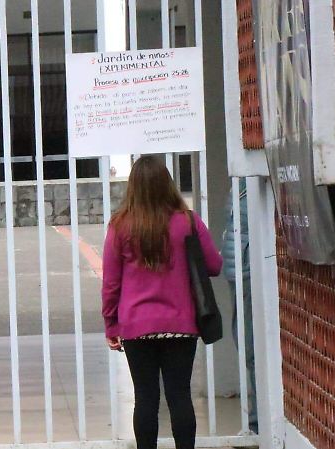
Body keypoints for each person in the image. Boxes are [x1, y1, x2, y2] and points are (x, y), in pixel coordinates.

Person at [101, 156, 222, 449]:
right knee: (180, 395)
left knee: (145, 398)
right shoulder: (189, 222)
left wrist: (110, 323)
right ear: (168, 183)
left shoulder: (120, 226)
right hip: (180, 325)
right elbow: (214, 265)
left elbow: (111, 283)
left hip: (136, 326)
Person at [220, 178, 258, 433]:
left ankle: (258, 423)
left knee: (252, 348)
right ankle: (258, 420)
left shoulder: (254, 178)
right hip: (239, 273)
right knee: (246, 345)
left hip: (248, 272)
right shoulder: (240, 181)